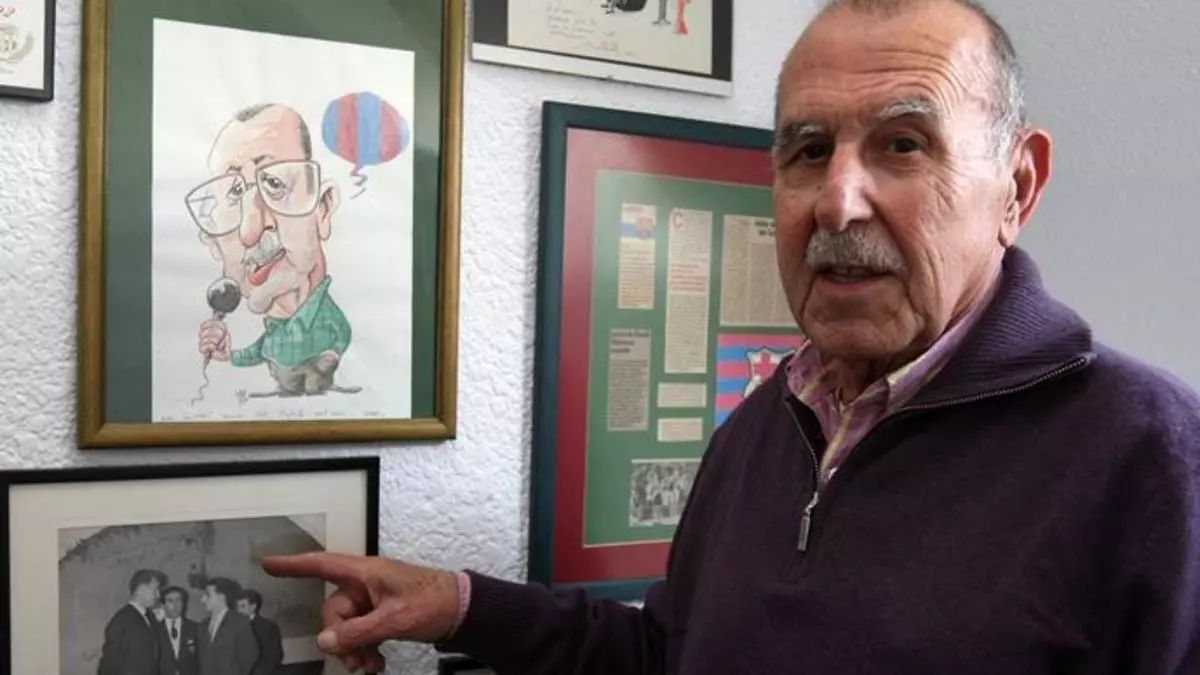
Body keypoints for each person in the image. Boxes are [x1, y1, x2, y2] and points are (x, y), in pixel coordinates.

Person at [262, 0, 1200, 673]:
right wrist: (459, 605)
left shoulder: (1153, 454)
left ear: (1017, 188)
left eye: (903, 145)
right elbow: (670, 651)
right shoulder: (767, 423)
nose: (837, 200)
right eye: (808, 150)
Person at [187, 102, 354, 398]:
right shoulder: (273, 332)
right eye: (234, 192)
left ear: (323, 209)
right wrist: (228, 354)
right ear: (212, 241)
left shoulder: (330, 322)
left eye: (275, 183)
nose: (249, 232)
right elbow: (259, 352)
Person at [97, 569, 167, 675]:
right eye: (155, 590)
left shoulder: (149, 618)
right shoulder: (122, 620)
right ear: (141, 589)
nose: (158, 595)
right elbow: (109, 665)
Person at [198, 577, 259, 675]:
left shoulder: (239, 622)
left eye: (208, 595)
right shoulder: (203, 625)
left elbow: (250, 656)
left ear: (221, 597)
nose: (202, 600)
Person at [237, 588, 284, 675]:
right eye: (238, 606)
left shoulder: (268, 627)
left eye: (243, 606)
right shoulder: (234, 626)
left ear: (253, 607)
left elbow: (273, 657)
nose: (239, 610)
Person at [157, 586, 200, 675]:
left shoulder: (195, 628)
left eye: (178, 600)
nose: (175, 604)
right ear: (163, 605)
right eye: (170, 601)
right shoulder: (154, 630)